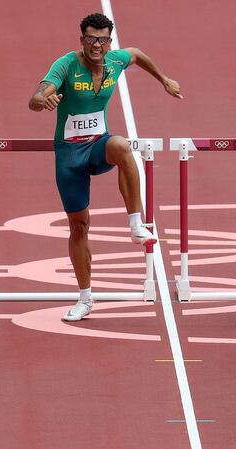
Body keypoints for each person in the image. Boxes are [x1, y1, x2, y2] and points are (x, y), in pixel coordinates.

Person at [28, 13, 181, 321]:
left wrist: (164, 79)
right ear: (81, 39)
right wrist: (41, 100)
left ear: (109, 42)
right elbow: (36, 97)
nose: (96, 45)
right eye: (90, 39)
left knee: (122, 145)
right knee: (79, 225)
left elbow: (136, 54)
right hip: (70, 157)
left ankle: (136, 223)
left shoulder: (115, 61)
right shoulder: (67, 65)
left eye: (102, 40)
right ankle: (85, 298)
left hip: (98, 147)